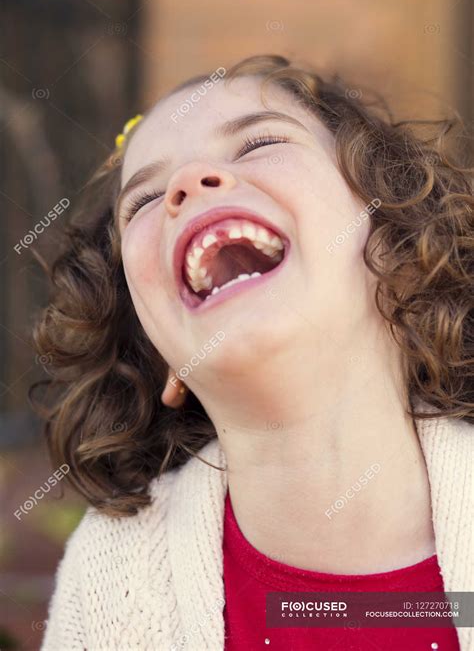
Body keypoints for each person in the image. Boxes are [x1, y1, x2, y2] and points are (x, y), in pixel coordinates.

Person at [32, 54, 473, 650]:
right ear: (162, 357)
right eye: (143, 201)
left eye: (257, 143)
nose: (189, 183)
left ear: (399, 248)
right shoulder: (111, 579)